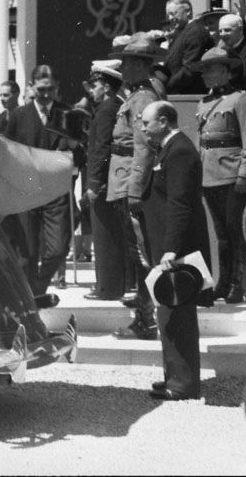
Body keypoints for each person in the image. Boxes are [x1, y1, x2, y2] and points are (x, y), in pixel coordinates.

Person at [141, 100, 211, 401]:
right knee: (168, 313)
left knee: (177, 314)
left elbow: (180, 204)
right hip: (168, 247)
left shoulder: (180, 151)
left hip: (177, 251)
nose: (143, 128)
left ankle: (182, 384)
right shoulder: (171, 149)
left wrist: (170, 249)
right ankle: (174, 376)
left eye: (147, 123)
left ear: (165, 122)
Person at [107, 33, 166, 340]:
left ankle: (146, 320)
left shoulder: (143, 98)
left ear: (142, 66)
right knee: (136, 253)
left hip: (130, 178)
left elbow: (143, 147)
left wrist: (135, 189)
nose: (123, 69)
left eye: (128, 64)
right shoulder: (135, 95)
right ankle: (144, 318)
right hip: (122, 176)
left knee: (140, 254)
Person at [195, 47, 246, 303]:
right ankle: (222, 283)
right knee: (221, 233)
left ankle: (237, 284)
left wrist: (245, 174)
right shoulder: (204, 102)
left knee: (234, 229)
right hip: (209, 174)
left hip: (233, 175)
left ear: (225, 70)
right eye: (203, 70)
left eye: (210, 69)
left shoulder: (241, 99)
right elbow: (201, 141)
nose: (204, 75)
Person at [3, 64, 73, 296]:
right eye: (41, 89)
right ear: (32, 87)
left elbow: (82, 154)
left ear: (57, 88)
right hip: (26, 191)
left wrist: (75, 151)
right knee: (28, 254)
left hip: (56, 191)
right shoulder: (18, 116)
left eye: (50, 89)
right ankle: (30, 300)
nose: (45, 95)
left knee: (58, 249)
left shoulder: (68, 114)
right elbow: (7, 152)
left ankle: (38, 287)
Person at [84, 61, 126, 301]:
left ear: (107, 87)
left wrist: (94, 183)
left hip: (104, 180)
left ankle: (107, 288)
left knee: (105, 235)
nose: (92, 90)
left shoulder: (107, 109)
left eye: (96, 85)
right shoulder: (110, 106)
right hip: (110, 179)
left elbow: (101, 148)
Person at [163, 0, 211, 94]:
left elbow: (191, 68)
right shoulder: (184, 32)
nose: (171, 18)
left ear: (188, 11)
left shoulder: (196, 32)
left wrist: (166, 87)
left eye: (174, 13)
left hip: (189, 95)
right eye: (169, 15)